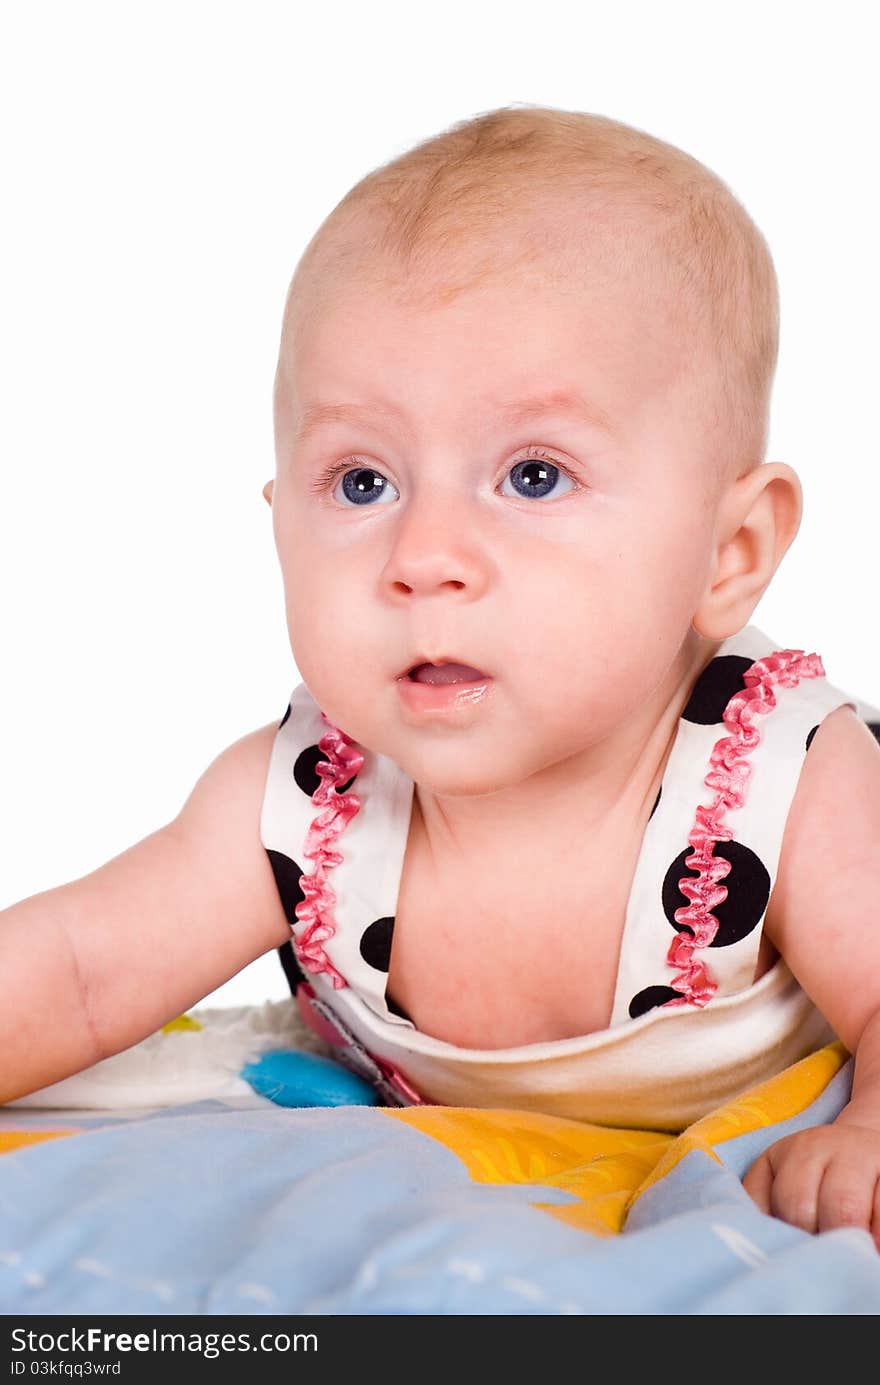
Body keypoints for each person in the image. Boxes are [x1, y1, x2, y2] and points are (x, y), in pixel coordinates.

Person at [2, 104, 880, 1248]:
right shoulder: (304, 800)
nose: (423, 558)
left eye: (532, 474)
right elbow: (77, 972)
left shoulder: (781, 776)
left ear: (730, 553)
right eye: (362, 482)